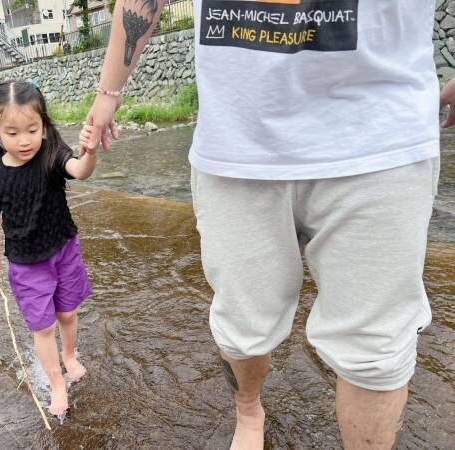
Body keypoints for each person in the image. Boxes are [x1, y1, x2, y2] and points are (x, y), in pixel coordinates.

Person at [84, 0, 446, 448]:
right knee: (242, 326)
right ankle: (248, 410)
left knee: (376, 351)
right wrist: (108, 92)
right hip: (237, 141)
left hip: (381, 134)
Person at [0, 80, 97, 417]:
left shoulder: (51, 154)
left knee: (67, 313)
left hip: (63, 248)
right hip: (27, 263)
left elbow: (80, 171)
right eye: (12, 132)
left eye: (32, 129)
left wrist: (90, 151)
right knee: (43, 327)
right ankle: (56, 382)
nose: (25, 139)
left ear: (43, 124)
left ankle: (70, 355)